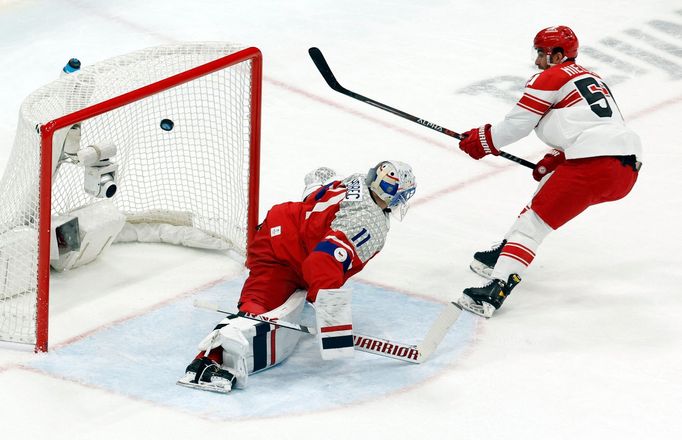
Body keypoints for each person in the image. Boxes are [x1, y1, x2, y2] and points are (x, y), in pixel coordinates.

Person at [178, 161, 417, 393]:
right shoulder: (368, 222)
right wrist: (333, 324)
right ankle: (213, 360)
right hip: (285, 257)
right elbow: (322, 262)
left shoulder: (355, 181)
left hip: (275, 230)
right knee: (258, 310)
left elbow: (315, 188)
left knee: (260, 300)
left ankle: (209, 357)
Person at [454, 25, 642, 319]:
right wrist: (559, 156)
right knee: (544, 195)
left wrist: (483, 141)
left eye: (542, 52)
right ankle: (505, 250)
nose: (537, 59)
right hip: (625, 168)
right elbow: (594, 124)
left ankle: (496, 290)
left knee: (533, 225)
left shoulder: (551, 77)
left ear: (557, 55)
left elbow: (517, 124)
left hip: (593, 164)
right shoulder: (592, 78)